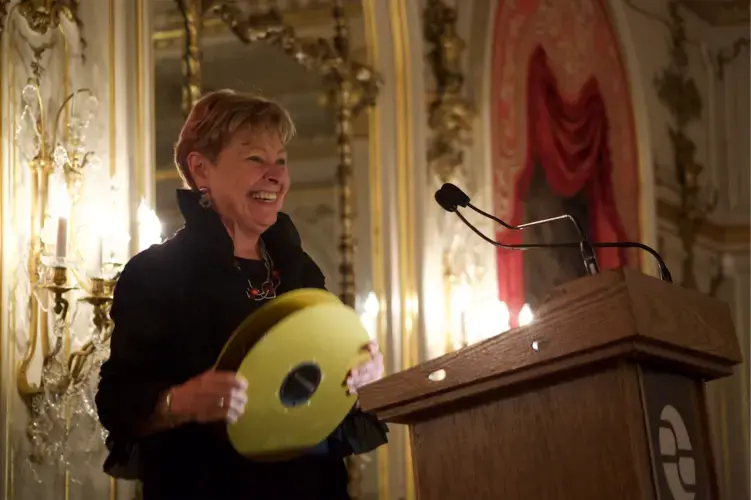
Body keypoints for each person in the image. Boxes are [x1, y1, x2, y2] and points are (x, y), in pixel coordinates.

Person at [96, 89, 388, 500]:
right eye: (255, 158)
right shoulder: (157, 272)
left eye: (281, 161)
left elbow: (324, 376)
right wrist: (177, 402)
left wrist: (361, 374)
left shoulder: (298, 267)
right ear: (201, 170)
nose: (276, 175)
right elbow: (116, 399)